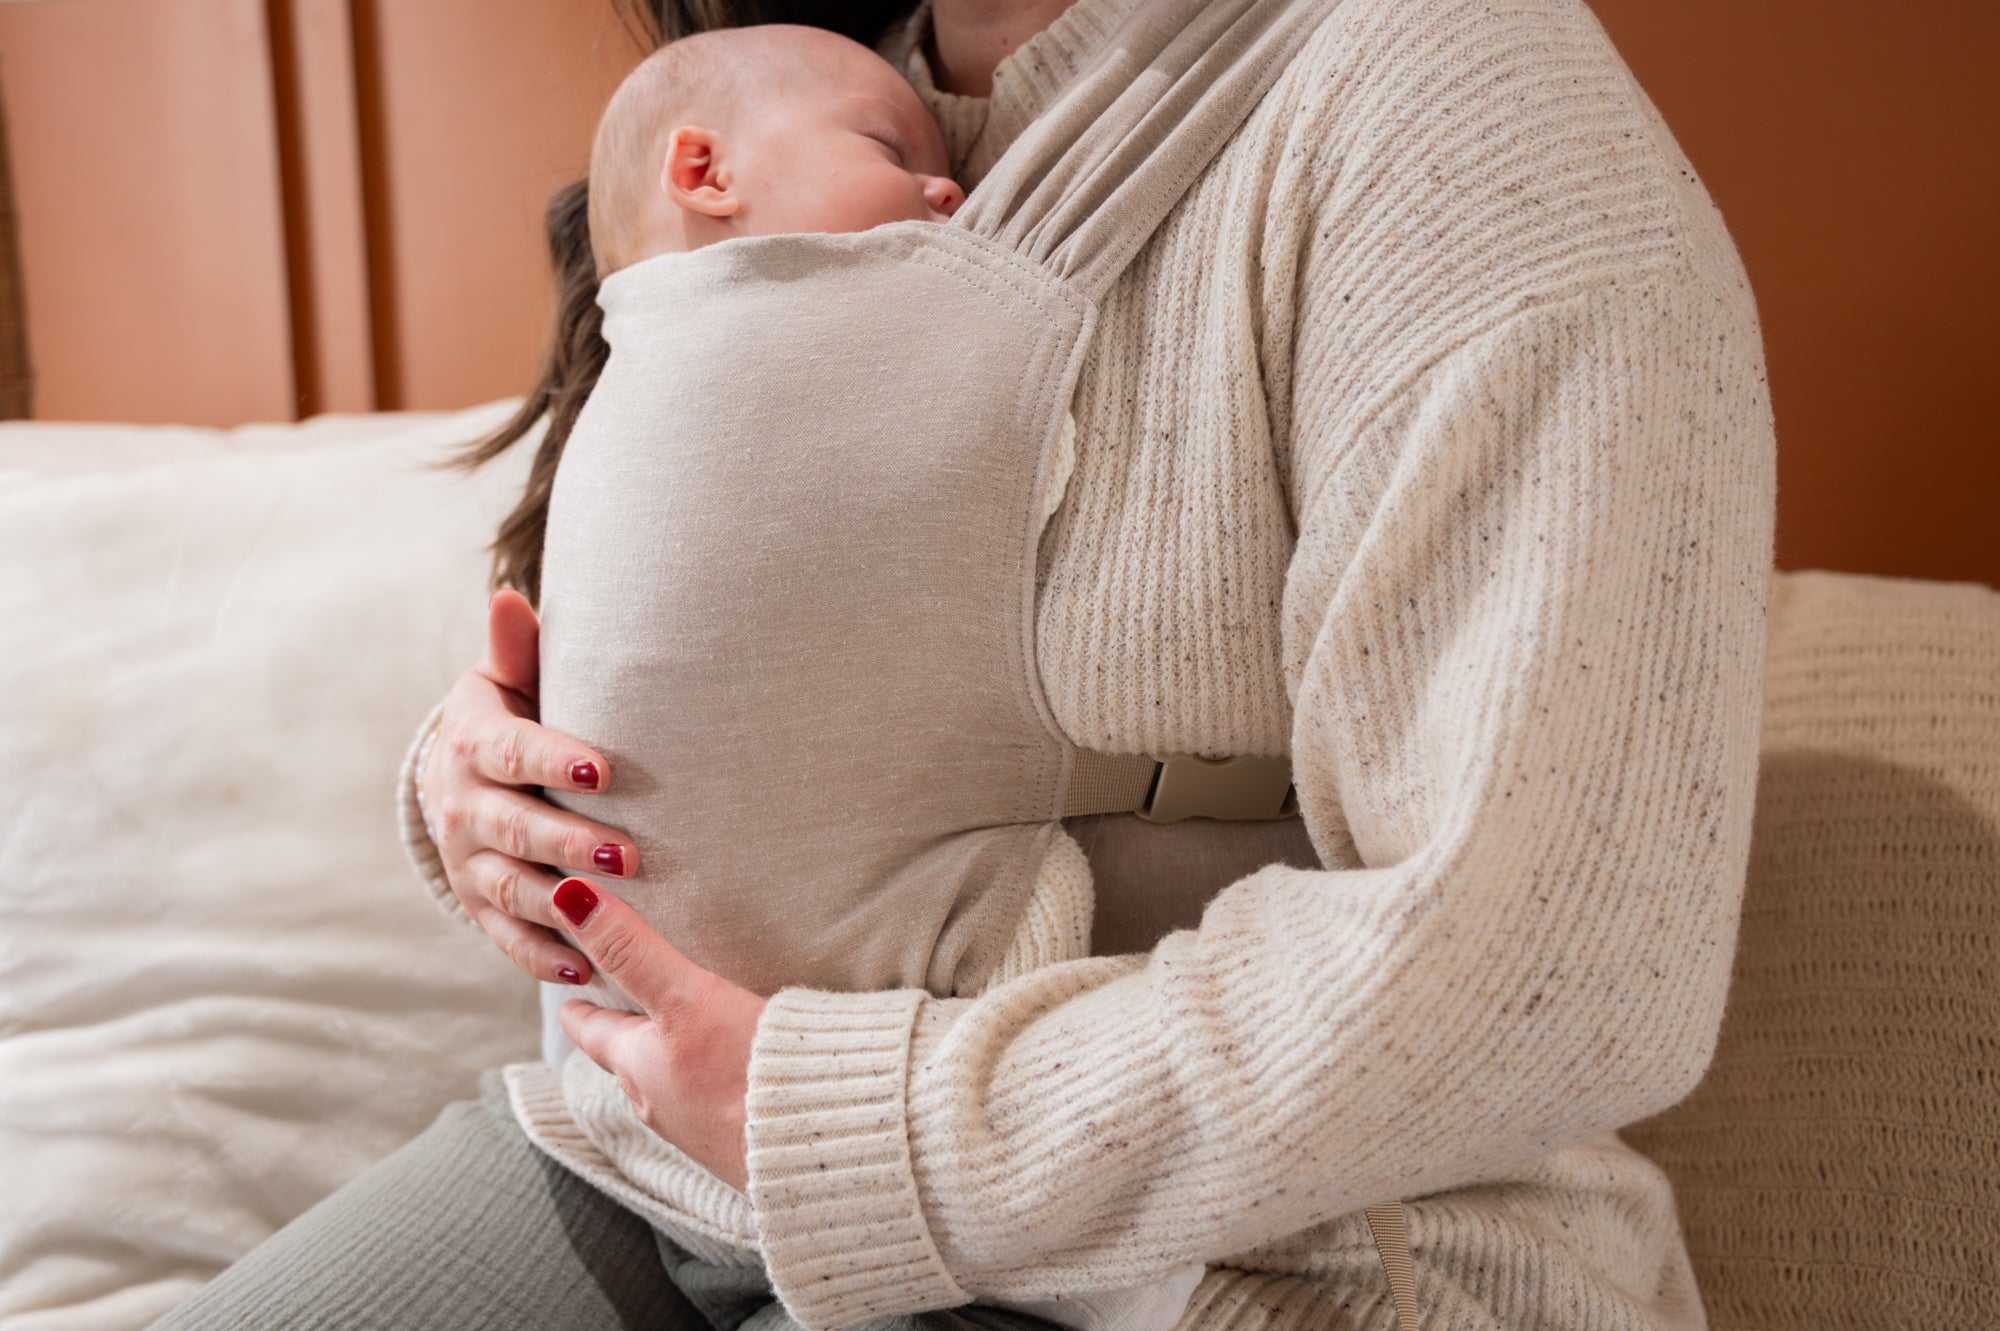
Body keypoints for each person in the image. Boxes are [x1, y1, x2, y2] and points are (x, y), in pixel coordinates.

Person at [152, 0, 1777, 1327]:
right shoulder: (795, 100)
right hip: (649, 1165)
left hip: (1253, 1258)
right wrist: (486, 793)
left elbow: (1554, 964)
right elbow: (697, 636)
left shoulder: (1453, 101)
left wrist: (854, 1128)